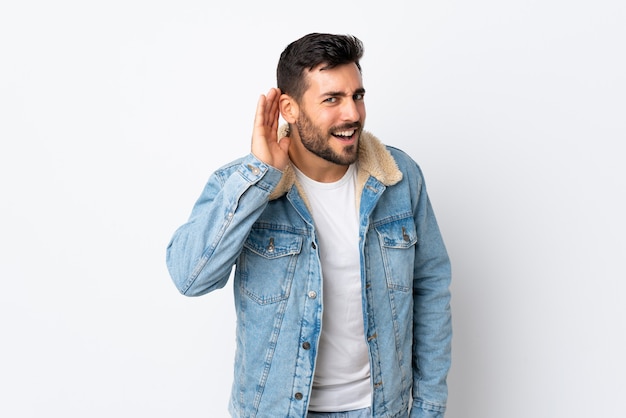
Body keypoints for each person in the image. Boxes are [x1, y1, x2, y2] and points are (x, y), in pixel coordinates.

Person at [166, 32, 452, 418]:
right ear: (289, 107)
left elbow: (431, 288)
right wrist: (259, 176)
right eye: (332, 99)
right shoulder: (242, 184)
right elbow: (190, 278)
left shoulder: (399, 179)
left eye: (358, 95)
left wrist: (429, 407)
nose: (352, 113)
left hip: (381, 409)